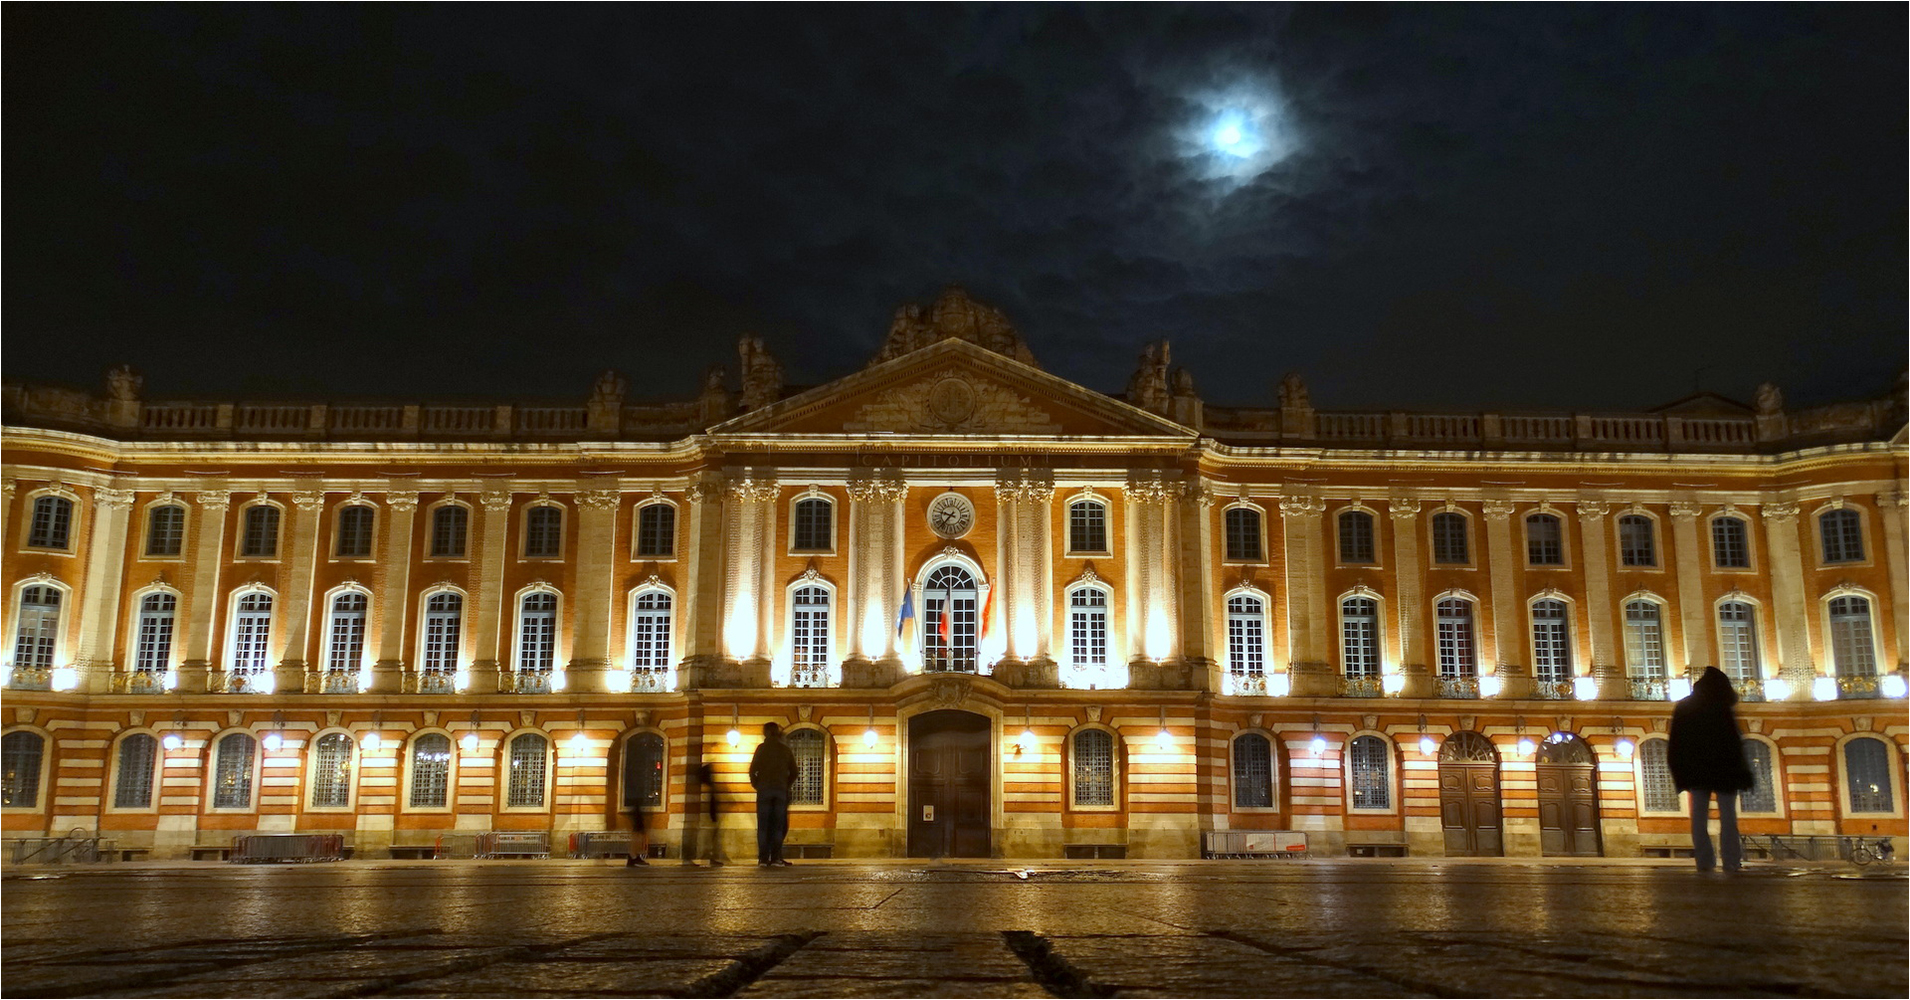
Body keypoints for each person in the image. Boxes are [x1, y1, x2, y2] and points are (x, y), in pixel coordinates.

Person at [1668, 666, 1756, 872]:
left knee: (1698, 817)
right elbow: (1734, 743)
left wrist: (1680, 774)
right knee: (1728, 817)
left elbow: (1676, 744)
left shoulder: (1685, 707)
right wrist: (1743, 773)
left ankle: (1705, 861)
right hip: (1725, 772)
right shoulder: (1722, 708)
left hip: (1697, 772)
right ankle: (1731, 860)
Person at [748, 722, 797, 867]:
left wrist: (757, 784)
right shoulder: (785, 750)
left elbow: (752, 770)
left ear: (766, 733)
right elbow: (794, 771)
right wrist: (785, 785)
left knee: (763, 825)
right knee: (778, 825)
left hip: (764, 791)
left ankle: (763, 859)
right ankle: (775, 858)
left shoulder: (761, 749)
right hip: (780, 791)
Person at [683, 762, 726, 867]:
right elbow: (709, 804)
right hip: (708, 818)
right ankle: (705, 858)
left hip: (708, 817)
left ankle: (706, 857)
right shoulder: (707, 787)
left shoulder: (705, 786)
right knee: (705, 838)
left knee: (706, 837)